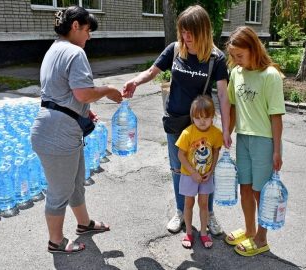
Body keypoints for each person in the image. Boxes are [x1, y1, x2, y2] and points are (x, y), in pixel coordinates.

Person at [123, 5, 231, 235]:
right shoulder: (175, 49)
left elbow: (223, 95)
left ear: (203, 31)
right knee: (177, 169)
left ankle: (208, 214)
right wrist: (135, 81)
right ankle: (181, 211)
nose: (186, 37)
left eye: (190, 32)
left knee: (205, 168)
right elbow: (152, 71)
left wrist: (226, 130)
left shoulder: (216, 58)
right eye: (183, 31)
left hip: (201, 124)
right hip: (175, 122)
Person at [30, 6, 122, 254]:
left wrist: (83, 111)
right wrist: (107, 90)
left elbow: (61, 93)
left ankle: (84, 224)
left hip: (58, 127)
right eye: (88, 30)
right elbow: (82, 92)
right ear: (75, 27)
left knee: (75, 183)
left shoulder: (54, 49)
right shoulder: (74, 52)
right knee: (60, 191)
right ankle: (56, 241)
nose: (89, 37)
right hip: (58, 134)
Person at [224, 26, 286, 256]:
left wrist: (276, 150)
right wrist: (226, 133)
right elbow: (231, 107)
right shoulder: (236, 74)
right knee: (246, 189)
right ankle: (249, 230)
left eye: (240, 55)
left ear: (253, 49)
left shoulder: (270, 75)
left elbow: (276, 116)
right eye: (233, 56)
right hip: (243, 138)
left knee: (261, 192)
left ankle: (261, 238)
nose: (236, 60)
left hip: (264, 141)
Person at [176, 95, 222, 249]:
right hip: (189, 175)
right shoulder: (187, 133)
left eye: (206, 117)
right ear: (192, 117)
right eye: (198, 117)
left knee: (204, 204)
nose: (202, 121)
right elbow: (180, 155)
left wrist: (211, 171)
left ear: (213, 116)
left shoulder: (216, 133)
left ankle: (203, 233)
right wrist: (193, 172)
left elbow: (215, 152)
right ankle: (189, 232)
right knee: (188, 203)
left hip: (206, 177)